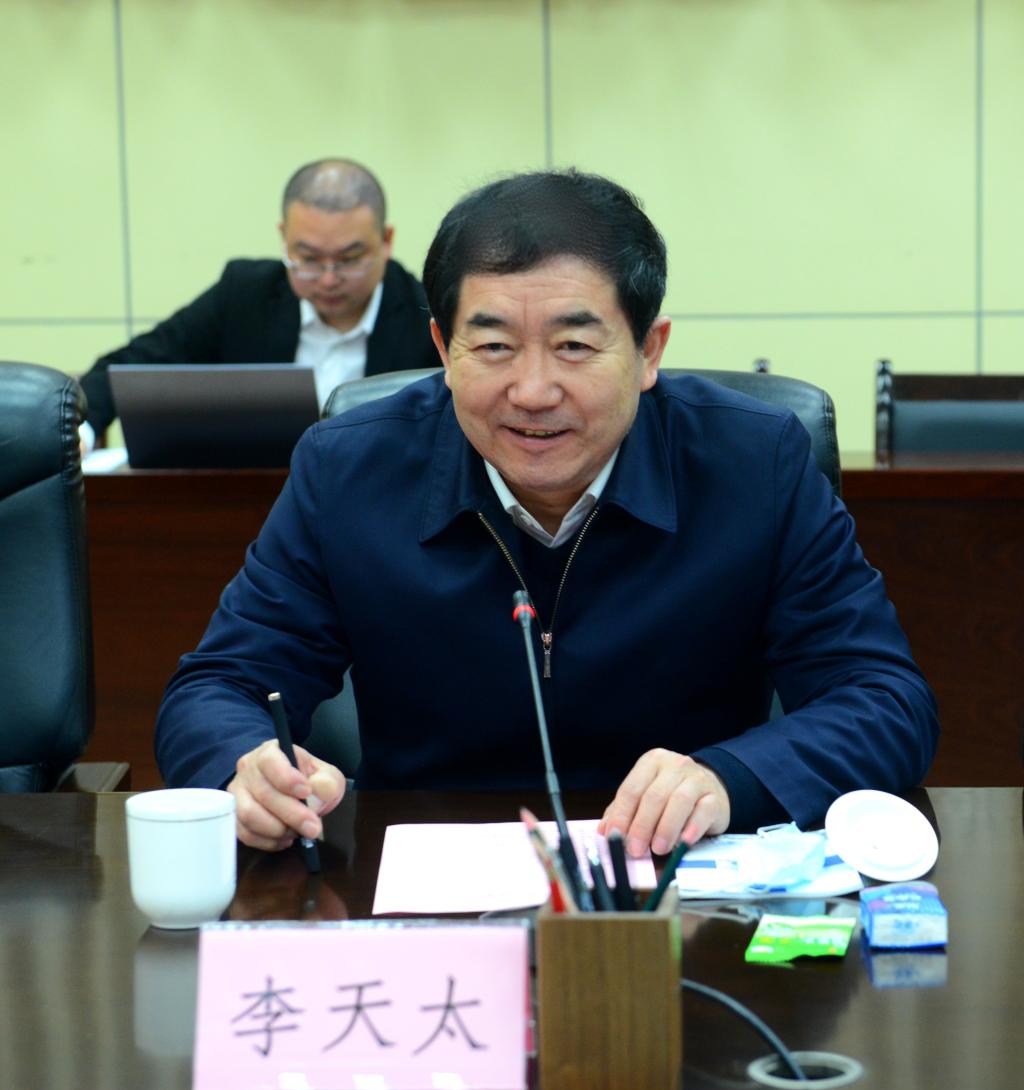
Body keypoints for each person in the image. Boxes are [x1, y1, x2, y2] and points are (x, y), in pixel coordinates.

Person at [155, 170, 939, 858]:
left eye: (574, 346)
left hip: (682, 889)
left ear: (650, 349)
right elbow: (215, 687)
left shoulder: (753, 462)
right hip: (423, 883)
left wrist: (730, 777)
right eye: (494, 347)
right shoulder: (348, 469)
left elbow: (884, 699)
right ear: (443, 348)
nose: (532, 391)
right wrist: (245, 766)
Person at [77, 158, 439, 449]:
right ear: (284, 238)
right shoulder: (245, 295)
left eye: (349, 259)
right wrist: (81, 434)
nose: (328, 279)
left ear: (386, 241)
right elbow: (129, 366)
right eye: (309, 259)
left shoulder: (427, 314)